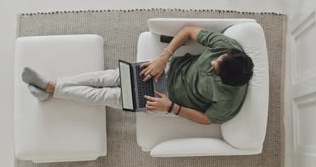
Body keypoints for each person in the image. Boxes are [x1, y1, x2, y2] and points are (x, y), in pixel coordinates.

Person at [21, 26, 254, 125]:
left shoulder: (229, 100)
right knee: (107, 78)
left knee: (110, 97)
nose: (213, 61)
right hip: (164, 68)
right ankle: (50, 89)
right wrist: (165, 56)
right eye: (218, 59)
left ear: (225, 81)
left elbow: (207, 119)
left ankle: (51, 88)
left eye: (215, 68)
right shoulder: (227, 47)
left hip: (166, 99)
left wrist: (171, 108)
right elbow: (189, 31)